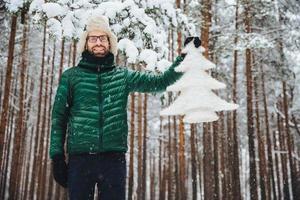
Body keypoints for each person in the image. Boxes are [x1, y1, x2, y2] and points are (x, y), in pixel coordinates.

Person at [49, 15, 188, 200]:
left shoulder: (122, 76)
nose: (98, 42)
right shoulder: (71, 77)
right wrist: (57, 157)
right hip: (80, 158)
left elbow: (161, 82)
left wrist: (184, 58)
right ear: (86, 43)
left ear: (110, 42)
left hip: (113, 159)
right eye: (93, 38)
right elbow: (59, 118)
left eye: (103, 38)